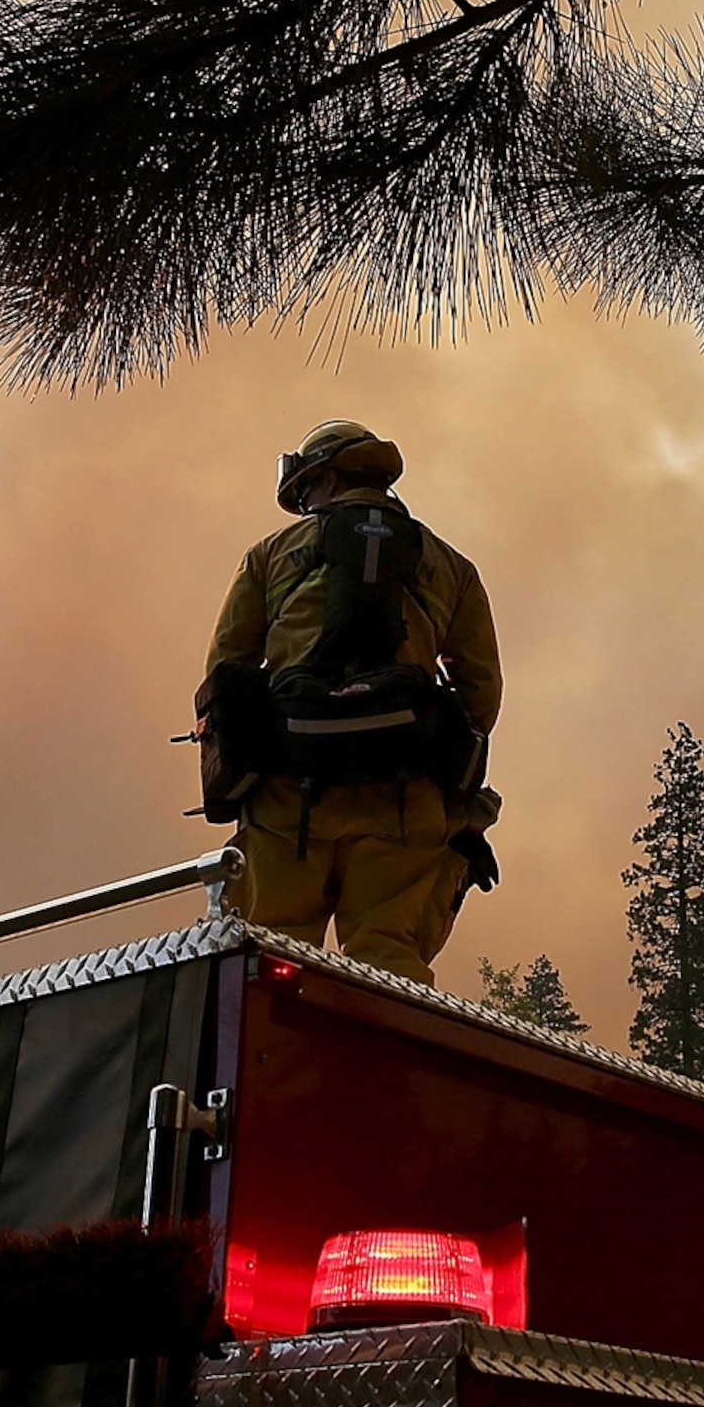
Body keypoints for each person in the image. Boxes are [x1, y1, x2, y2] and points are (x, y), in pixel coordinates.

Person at [200, 420, 502, 984]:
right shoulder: (449, 567)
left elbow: (227, 666)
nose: (305, 506)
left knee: (269, 956)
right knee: (389, 959)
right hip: (403, 800)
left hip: (289, 796)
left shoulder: (271, 554)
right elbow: (481, 690)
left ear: (329, 478)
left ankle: (272, 1068)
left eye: (306, 492)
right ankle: (380, 1070)